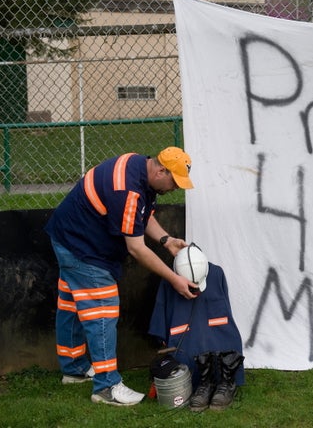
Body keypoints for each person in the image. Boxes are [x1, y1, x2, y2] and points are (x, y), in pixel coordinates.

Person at [45, 147, 200, 406]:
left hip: (67, 237)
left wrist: (166, 240)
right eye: (174, 181)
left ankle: (73, 369)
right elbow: (136, 249)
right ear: (161, 170)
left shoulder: (138, 166)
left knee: (72, 304)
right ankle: (107, 386)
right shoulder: (127, 189)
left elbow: (142, 214)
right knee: (102, 312)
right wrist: (174, 278)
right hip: (84, 248)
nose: (175, 188)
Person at [149, 261, 245, 412]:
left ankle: (224, 383)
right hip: (183, 347)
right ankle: (206, 383)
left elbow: (226, 310)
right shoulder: (168, 279)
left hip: (219, 340)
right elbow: (160, 318)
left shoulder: (216, 272)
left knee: (226, 347)